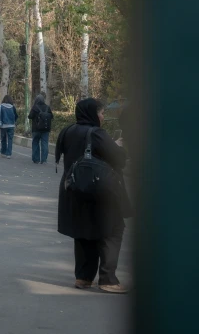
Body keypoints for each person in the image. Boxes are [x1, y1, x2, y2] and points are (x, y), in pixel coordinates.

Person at [55, 98, 131, 294]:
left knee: (83, 231)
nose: (103, 117)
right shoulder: (96, 133)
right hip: (98, 192)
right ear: (93, 114)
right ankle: (108, 279)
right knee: (113, 229)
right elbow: (118, 158)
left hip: (73, 190)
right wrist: (118, 146)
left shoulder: (68, 131)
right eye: (102, 113)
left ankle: (83, 278)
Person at [28, 93, 53, 164]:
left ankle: (36, 159)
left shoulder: (34, 107)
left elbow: (30, 116)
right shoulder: (47, 107)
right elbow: (51, 116)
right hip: (46, 129)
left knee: (35, 143)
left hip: (36, 129)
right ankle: (44, 159)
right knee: (44, 143)